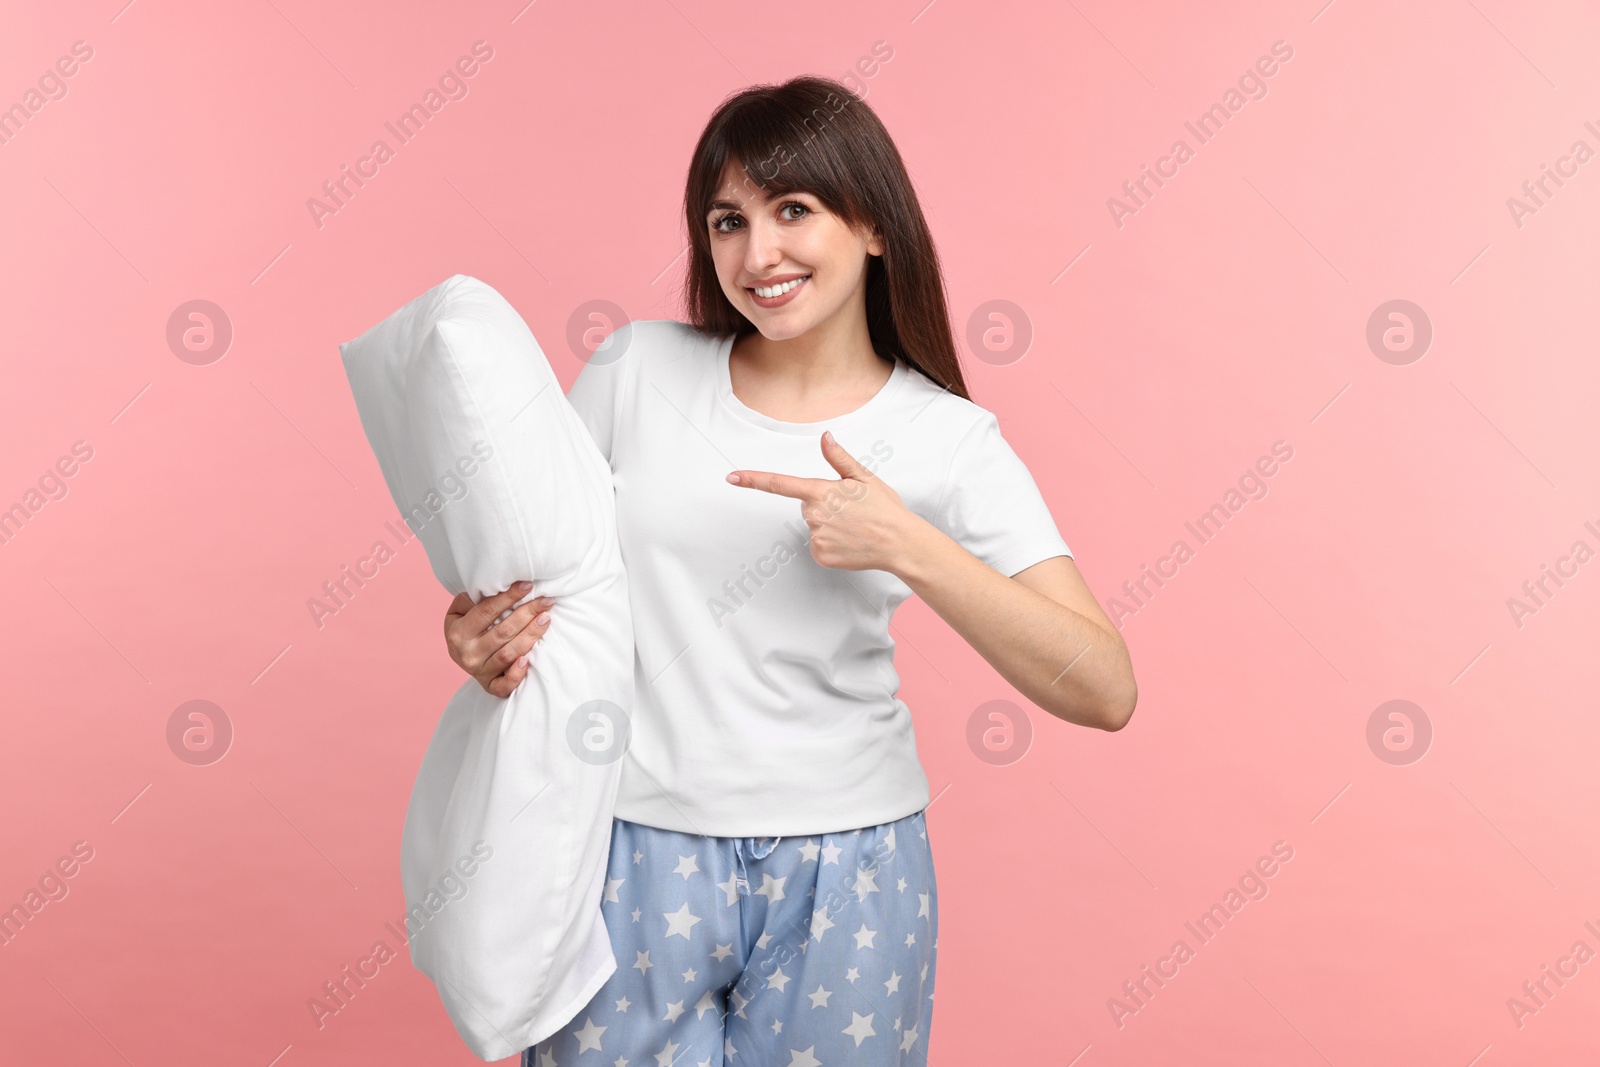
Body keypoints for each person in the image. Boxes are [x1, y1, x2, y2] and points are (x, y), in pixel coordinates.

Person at [442, 75, 1137, 1067]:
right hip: (628, 849)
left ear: (873, 228)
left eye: (792, 210)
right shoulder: (632, 371)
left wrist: (908, 543)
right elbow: (532, 589)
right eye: (727, 220)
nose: (756, 253)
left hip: (851, 865)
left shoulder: (948, 438)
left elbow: (1105, 684)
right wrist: (479, 637)